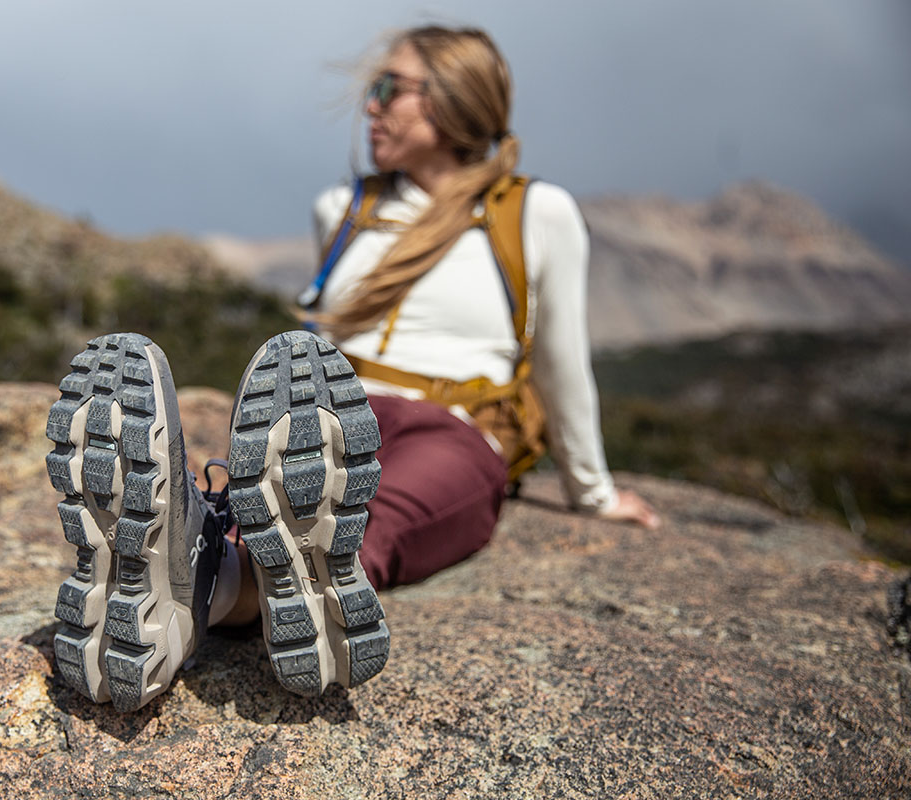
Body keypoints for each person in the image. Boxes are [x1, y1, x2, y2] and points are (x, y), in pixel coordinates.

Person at [45, 24, 658, 713]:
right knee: (282, 508)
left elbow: (561, 365)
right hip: (332, 412)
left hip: (454, 428)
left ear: (455, 99)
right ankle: (195, 570)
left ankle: (196, 583)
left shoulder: (536, 213)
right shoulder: (344, 210)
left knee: (355, 534)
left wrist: (594, 491)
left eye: (388, 89)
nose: (371, 106)